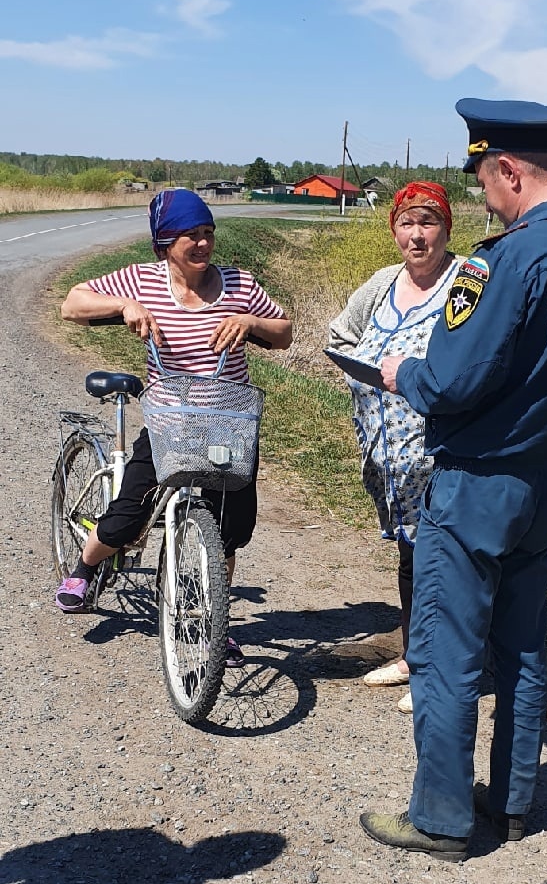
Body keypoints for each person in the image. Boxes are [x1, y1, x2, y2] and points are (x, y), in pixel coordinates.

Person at [359, 99, 547, 862]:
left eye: (484, 178)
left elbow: (448, 381)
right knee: (523, 648)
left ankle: (440, 819)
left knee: (447, 654)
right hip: (543, 482)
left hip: (475, 481)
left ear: (509, 169)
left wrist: (399, 370)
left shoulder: (501, 262)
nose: (483, 196)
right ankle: (510, 804)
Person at [54, 188, 293, 666]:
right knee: (129, 516)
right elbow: (71, 304)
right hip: (169, 423)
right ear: (165, 243)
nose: (203, 245)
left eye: (208, 234)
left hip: (229, 424)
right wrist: (122, 307)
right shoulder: (142, 281)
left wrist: (250, 322)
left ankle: (213, 620)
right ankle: (83, 570)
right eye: (191, 236)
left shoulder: (239, 284)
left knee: (228, 528)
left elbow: (284, 332)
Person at [328, 182, 460, 714]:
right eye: (407, 223)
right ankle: (412, 655)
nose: (417, 234)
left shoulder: (466, 282)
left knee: (445, 562)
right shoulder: (383, 283)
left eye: (428, 222)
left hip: (444, 455)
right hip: (388, 458)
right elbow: (339, 339)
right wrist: (360, 380)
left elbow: (480, 362)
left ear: (447, 229)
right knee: (411, 557)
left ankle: (444, 671)